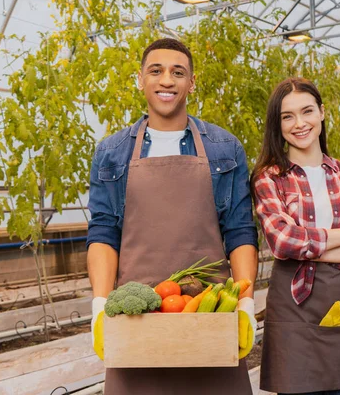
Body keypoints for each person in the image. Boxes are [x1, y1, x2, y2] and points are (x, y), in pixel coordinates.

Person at [86, 38, 259, 395]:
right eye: (156, 71)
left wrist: (244, 302)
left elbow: (241, 231)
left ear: (191, 83)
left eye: (178, 72)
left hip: (210, 316)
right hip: (136, 319)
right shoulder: (112, 153)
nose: (167, 80)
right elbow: (103, 233)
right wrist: (101, 305)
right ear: (140, 80)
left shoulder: (224, 149)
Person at [251, 77, 340, 395]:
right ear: (278, 124)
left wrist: (313, 248)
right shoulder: (269, 178)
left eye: (307, 111)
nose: (300, 123)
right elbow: (284, 241)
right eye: (288, 116)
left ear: (322, 113)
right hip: (294, 314)